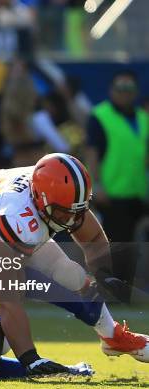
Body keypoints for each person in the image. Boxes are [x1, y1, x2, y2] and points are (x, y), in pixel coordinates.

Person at [0, 153, 149, 376]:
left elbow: (93, 240)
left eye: (76, 210)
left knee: (70, 275)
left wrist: (104, 275)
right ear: (41, 200)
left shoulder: (55, 192)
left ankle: (112, 335)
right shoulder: (16, 218)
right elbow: (8, 302)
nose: (71, 220)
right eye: (63, 212)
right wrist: (30, 358)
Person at [86, 71, 148, 300]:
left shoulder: (143, 118)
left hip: (136, 192)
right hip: (112, 193)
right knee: (112, 246)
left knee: (130, 248)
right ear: (111, 90)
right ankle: (105, 294)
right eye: (120, 89)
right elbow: (92, 153)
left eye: (129, 90)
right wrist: (97, 186)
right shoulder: (100, 116)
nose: (124, 94)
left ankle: (122, 295)